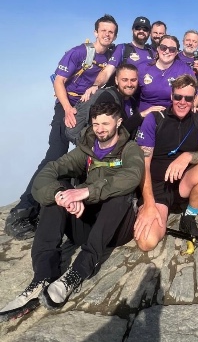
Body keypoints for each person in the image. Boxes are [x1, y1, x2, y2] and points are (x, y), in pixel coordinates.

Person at [0, 102, 144, 321]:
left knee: (120, 195)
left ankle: (78, 271)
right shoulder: (85, 150)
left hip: (116, 228)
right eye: (96, 124)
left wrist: (86, 192)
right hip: (86, 224)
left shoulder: (129, 149)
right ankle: (42, 277)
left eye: (106, 123)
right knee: (59, 190)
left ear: (119, 122)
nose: (100, 129)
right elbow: (48, 171)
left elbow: (132, 175)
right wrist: (61, 195)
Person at [4, 14, 119, 240]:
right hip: (67, 106)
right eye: (103, 30)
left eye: (111, 32)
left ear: (115, 35)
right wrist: (67, 109)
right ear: (95, 32)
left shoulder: (112, 56)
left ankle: (57, 206)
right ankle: (22, 210)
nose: (107, 34)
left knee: (81, 157)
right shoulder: (79, 52)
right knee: (55, 155)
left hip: (87, 109)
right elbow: (59, 81)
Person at [134, 74, 198, 250]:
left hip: (184, 183)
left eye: (188, 98)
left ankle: (188, 218)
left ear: (194, 99)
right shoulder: (155, 119)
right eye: (178, 97)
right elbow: (144, 164)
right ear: (171, 96)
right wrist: (149, 204)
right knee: (146, 241)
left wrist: (187, 156)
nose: (182, 102)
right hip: (158, 186)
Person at [81, 16, 153, 98]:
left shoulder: (153, 52)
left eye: (145, 29)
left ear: (149, 33)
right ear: (132, 30)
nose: (141, 31)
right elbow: (108, 71)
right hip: (126, 97)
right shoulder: (122, 48)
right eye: (138, 28)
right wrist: (96, 85)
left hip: (146, 98)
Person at [138, 35, 198, 111]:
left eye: (172, 49)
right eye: (163, 48)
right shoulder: (142, 68)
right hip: (146, 113)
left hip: (172, 114)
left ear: (176, 52)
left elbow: (196, 95)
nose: (167, 51)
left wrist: (186, 111)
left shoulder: (184, 69)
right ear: (158, 48)